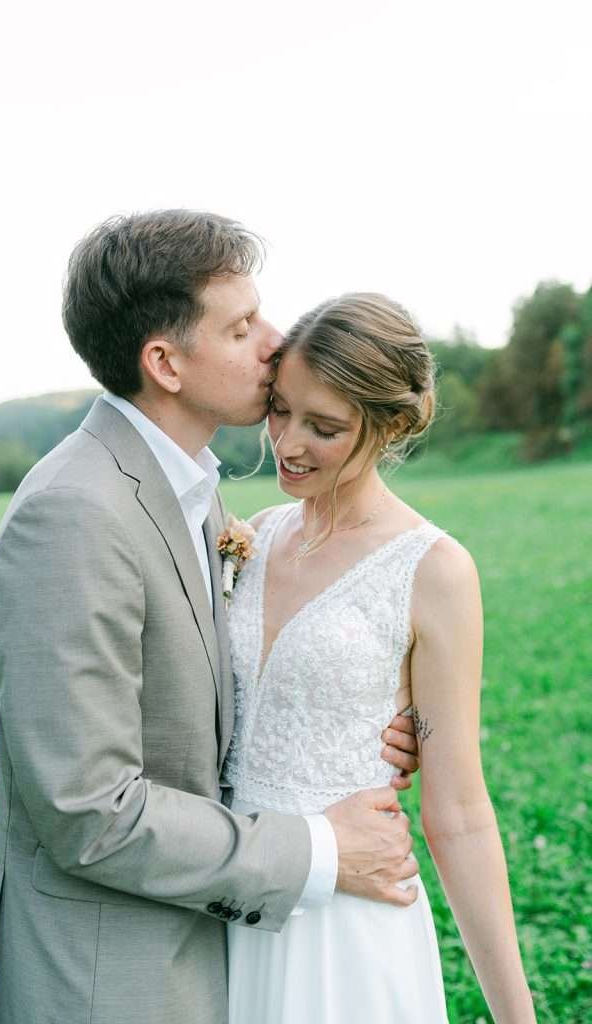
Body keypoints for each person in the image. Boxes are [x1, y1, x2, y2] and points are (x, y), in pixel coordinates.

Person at [0, 212, 422, 1024]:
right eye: (242, 326)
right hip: (107, 983)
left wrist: (361, 717)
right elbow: (87, 811)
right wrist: (322, 849)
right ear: (165, 362)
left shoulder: (191, 488)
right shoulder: (74, 514)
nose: (275, 342)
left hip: (217, 949)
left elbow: (202, 698)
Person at [224, 292, 536, 1024]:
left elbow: (457, 812)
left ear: (390, 424)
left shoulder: (433, 570)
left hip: (344, 926)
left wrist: (516, 1017)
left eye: (323, 427)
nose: (287, 444)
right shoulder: (249, 538)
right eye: (279, 410)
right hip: (227, 896)